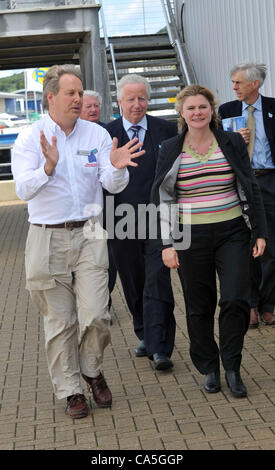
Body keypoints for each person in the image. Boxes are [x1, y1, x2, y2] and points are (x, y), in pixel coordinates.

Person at [11, 64, 145, 419]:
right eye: (71, 93)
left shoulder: (97, 135)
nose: (79, 98)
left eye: (81, 92)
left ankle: (91, 369)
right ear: (51, 97)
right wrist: (48, 168)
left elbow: (112, 185)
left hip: (90, 232)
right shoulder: (30, 138)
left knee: (97, 315)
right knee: (60, 321)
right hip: (46, 236)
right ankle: (71, 390)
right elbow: (23, 189)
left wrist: (116, 167)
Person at [151, 84, 267, 397]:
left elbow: (250, 187)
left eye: (203, 107)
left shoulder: (230, 142)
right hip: (189, 237)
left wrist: (260, 232)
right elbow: (160, 198)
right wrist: (166, 244)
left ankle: (232, 366)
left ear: (211, 110)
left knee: (234, 299)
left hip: (233, 233)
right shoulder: (170, 149)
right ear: (181, 113)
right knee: (198, 305)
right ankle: (209, 366)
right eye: (191, 108)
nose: (198, 113)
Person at [105, 73, 178, 370]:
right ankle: (144, 332)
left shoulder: (167, 129)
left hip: (159, 219)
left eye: (142, 98)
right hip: (120, 219)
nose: (137, 104)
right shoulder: (105, 134)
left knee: (157, 279)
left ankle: (161, 347)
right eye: (131, 99)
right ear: (119, 101)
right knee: (133, 281)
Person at [219, 62, 275, 328]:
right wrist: (233, 139)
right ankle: (250, 304)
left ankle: (268, 305)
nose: (234, 87)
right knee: (247, 246)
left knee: (271, 247)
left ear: (255, 84)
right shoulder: (226, 111)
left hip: (270, 181)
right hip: (242, 183)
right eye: (233, 82)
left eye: (238, 82)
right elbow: (217, 146)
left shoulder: (274, 108)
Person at [80, 90, 117, 311]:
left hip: (109, 205)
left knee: (107, 257)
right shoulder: (72, 135)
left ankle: (104, 301)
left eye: (96, 106)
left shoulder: (110, 132)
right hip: (81, 209)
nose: (93, 110)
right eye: (88, 106)